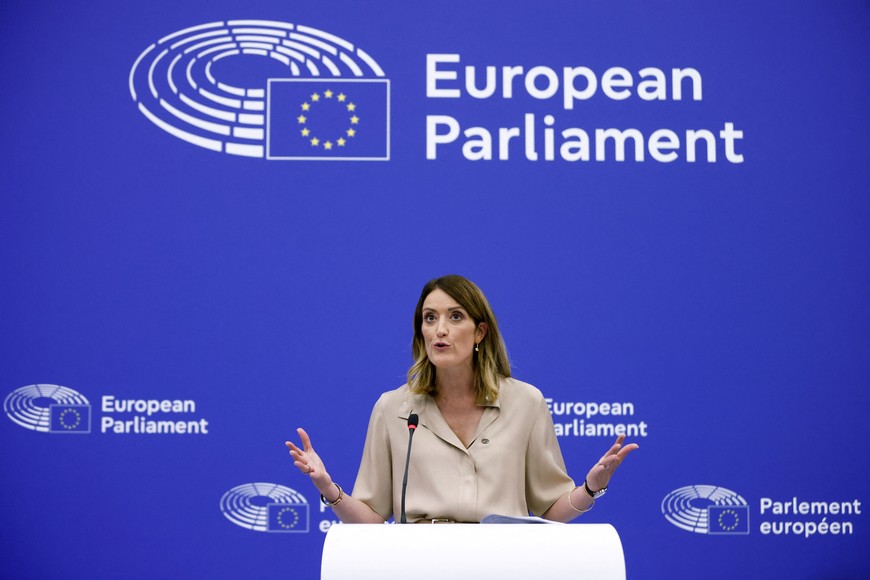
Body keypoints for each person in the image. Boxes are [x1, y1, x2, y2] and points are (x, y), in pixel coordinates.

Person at [285, 275, 638, 523]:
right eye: (430, 318)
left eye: (455, 317)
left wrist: (591, 488)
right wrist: (328, 488)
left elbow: (551, 511)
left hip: (501, 563)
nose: (440, 329)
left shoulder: (526, 403)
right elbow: (372, 519)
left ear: (480, 332)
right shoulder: (393, 409)